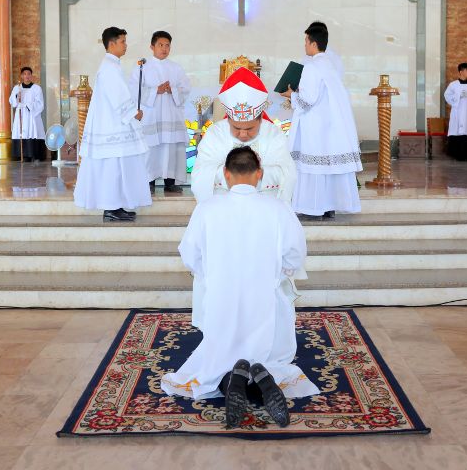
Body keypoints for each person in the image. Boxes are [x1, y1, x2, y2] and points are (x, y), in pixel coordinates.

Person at [161, 146, 318, 428]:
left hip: (222, 300)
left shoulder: (207, 208)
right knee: (274, 336)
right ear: (259, 175)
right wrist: (281, 272)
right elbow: (295, 253)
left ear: (225, 175)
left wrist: (207, 274)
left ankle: (232, 379)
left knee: (216, 354)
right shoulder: (278, 208)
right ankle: (264, 376)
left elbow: (189, 254)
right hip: (265, 304)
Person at [281, 24, 362, 220]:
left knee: (314, 166)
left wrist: (291, 95)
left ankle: (313, 207)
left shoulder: (311, 67)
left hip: (316, 127)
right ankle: (328, 206)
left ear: (313, 43)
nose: (305, 45)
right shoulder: (329, 65)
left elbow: (308, 100)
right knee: (328, 167)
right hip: (330, 126)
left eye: (306, 41)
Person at [73, 27, 151, 221]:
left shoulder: (112, 65)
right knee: (112, 167)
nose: (126, 45)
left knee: (117, 167)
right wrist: (134, 113)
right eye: (123, 41)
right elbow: (118, 96)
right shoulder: (109, 67)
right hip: (112, 126)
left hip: (114, 123)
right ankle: (110, 208)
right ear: (112, 43)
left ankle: (116, 206)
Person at [191, 67, 296, 203]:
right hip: (223, 207)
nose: (243, 134)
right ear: (228, 119)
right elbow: (200, 175)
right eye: (236, 127)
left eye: (250, 128)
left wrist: (260, 172)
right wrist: (239, 172)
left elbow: (288, 174)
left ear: (260, 119)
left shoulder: (273, 134)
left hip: (264, 206)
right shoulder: (215, 134)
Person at [129, 31, 191, 194]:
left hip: (171, 115)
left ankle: (170, 182)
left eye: (167, 45)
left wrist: (173, 90)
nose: (164, 48)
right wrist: (156, 90)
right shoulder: (142, 67)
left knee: (170, 149)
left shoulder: (176, 68)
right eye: (160, 45)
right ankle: (148, 181)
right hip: (152, 116)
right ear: (152, 46)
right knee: (151, 149)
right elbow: (134, 89)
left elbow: (186, 89)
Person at [9, 66, 46, 162]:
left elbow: (40, 103)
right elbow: (12, 101)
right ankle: (21, 155)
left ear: (31, 75)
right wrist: (17, 96)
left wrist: (28, 106)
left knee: (33, 131)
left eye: (29, 74)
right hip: (20, 114)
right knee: (21, 132)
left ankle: (34, 154)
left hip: (32, 114)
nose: (27, 76)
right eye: (24, 74)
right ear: (21, 76)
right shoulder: (17, 88)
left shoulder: (37, 88)